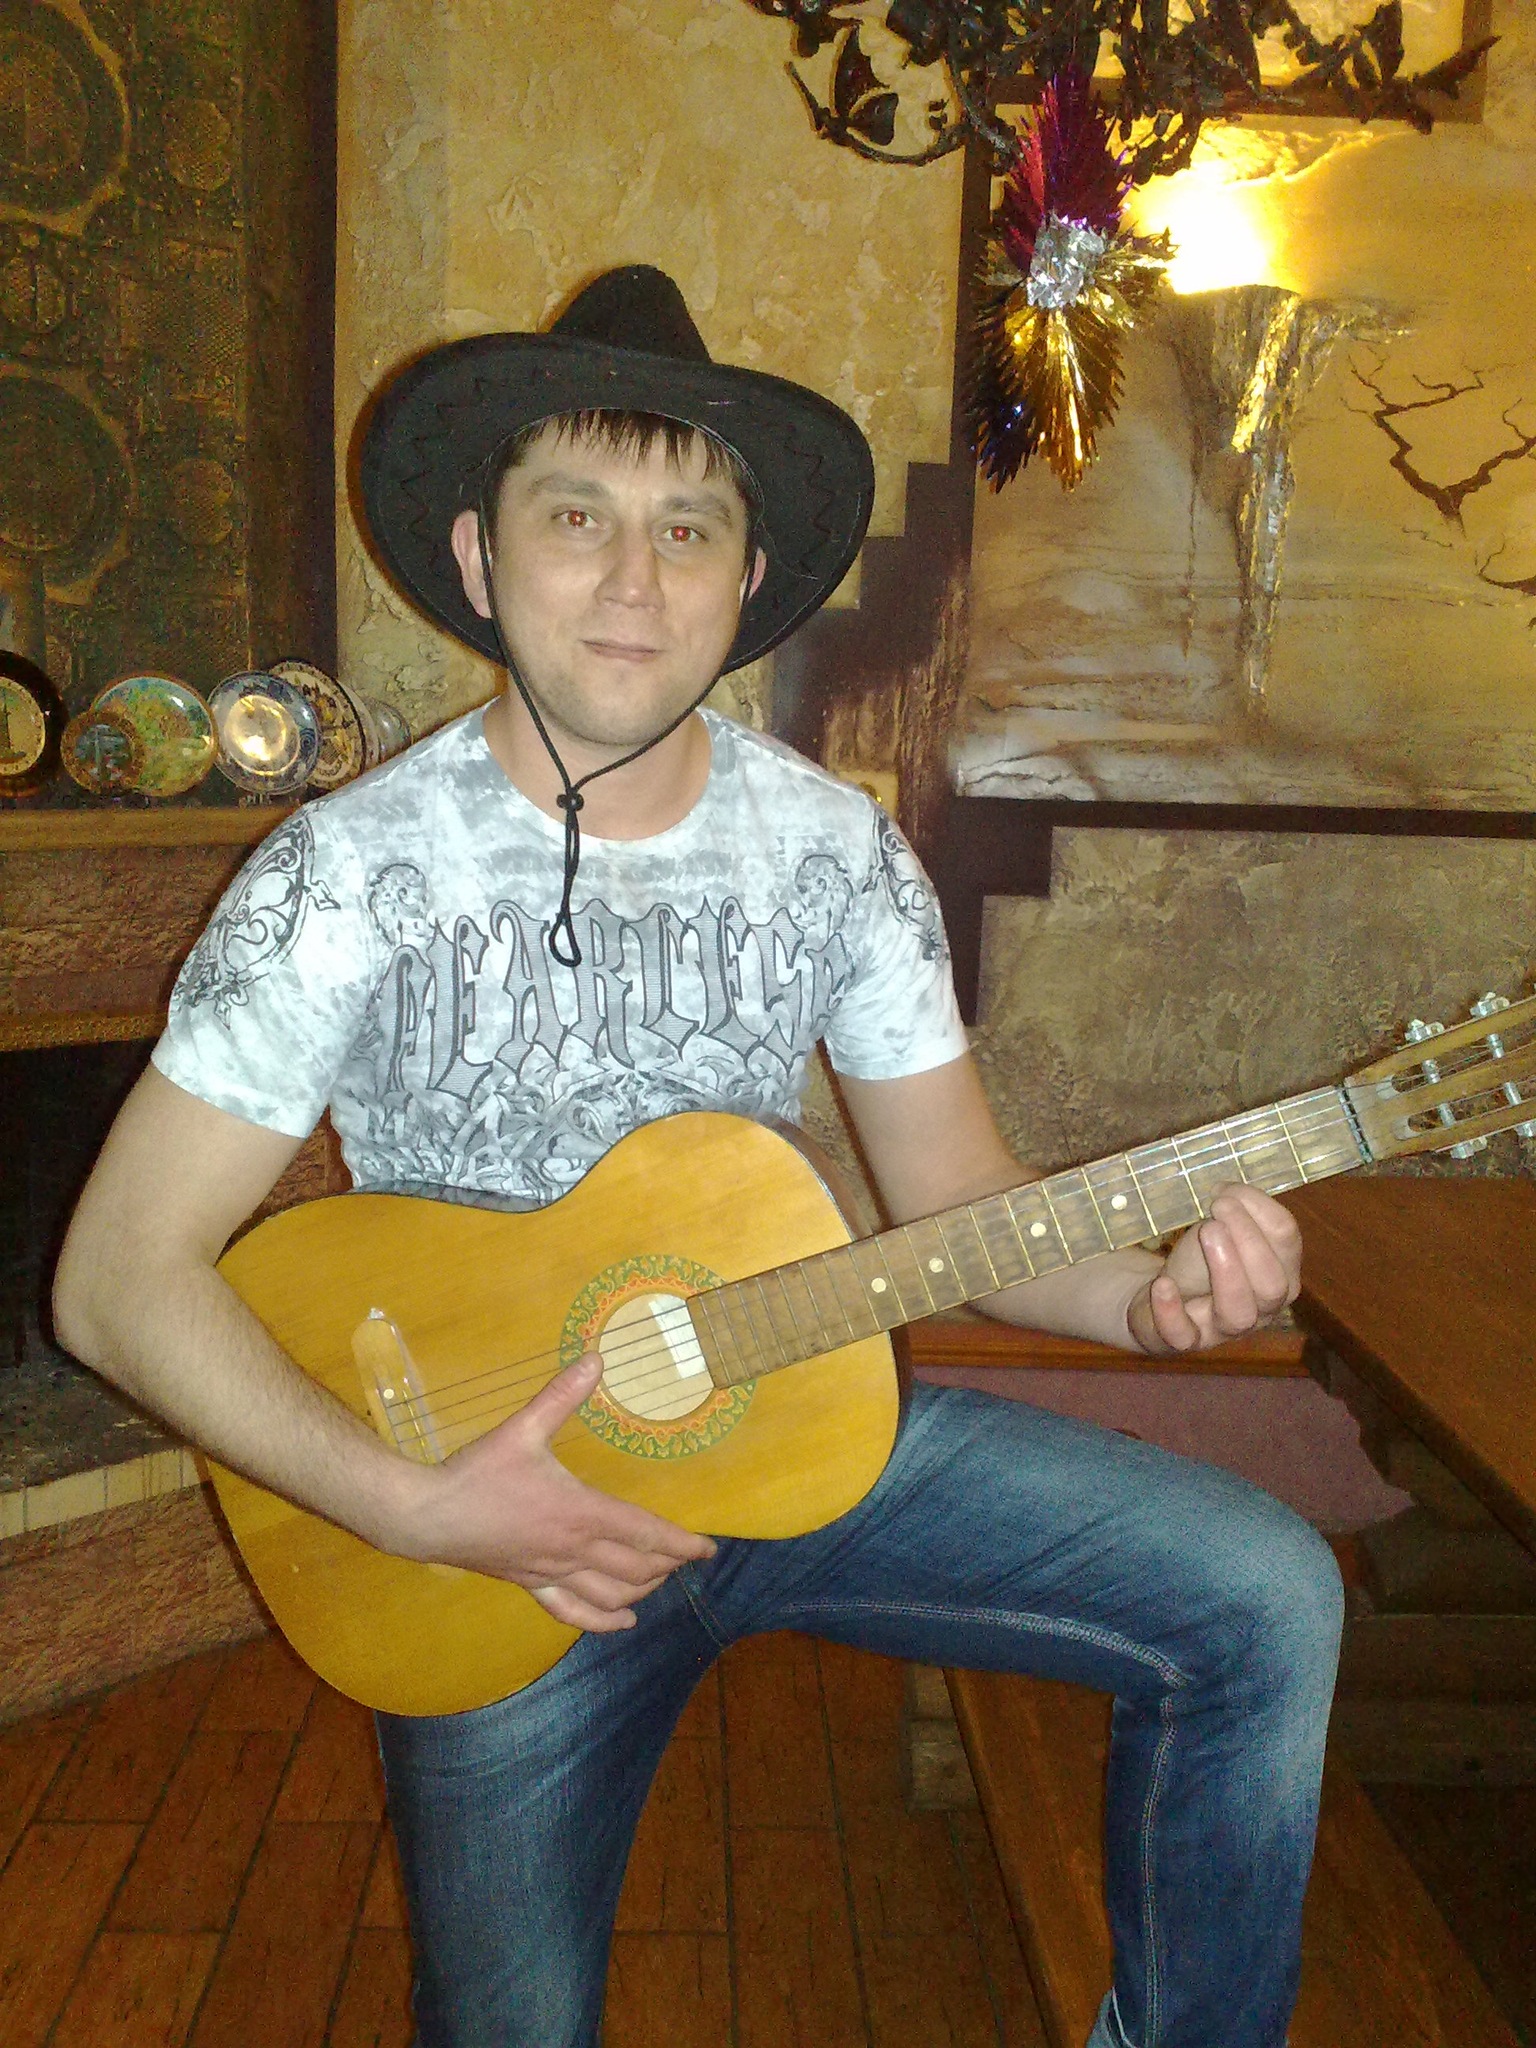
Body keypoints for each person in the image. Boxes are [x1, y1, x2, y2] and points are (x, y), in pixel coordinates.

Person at [55, 266, 1341, 2048]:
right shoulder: (343, 879)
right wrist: (420, 1507)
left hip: (801, 1429)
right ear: (482, 558)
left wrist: (1151, 1300)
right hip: (486, 1542)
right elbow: (114, 1283)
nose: (634, 582)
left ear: (748, 581)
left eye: (688, 528)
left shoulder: (840, 857)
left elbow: (958, 1205)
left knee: (1267, 1595)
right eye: (576, 516)